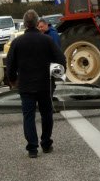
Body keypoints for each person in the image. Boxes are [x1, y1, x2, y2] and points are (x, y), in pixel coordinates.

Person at [6, 9, 66, 158]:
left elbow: (10, 65)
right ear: (37, 23)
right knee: (46, 114)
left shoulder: (17, 42)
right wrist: (55, 75)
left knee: (28, 116)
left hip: (25, 85)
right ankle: (46, 144)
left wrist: (13, 80)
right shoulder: (47, 40)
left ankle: (32, 148)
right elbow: (61, 59)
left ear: (25, 24)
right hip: (45, 84)